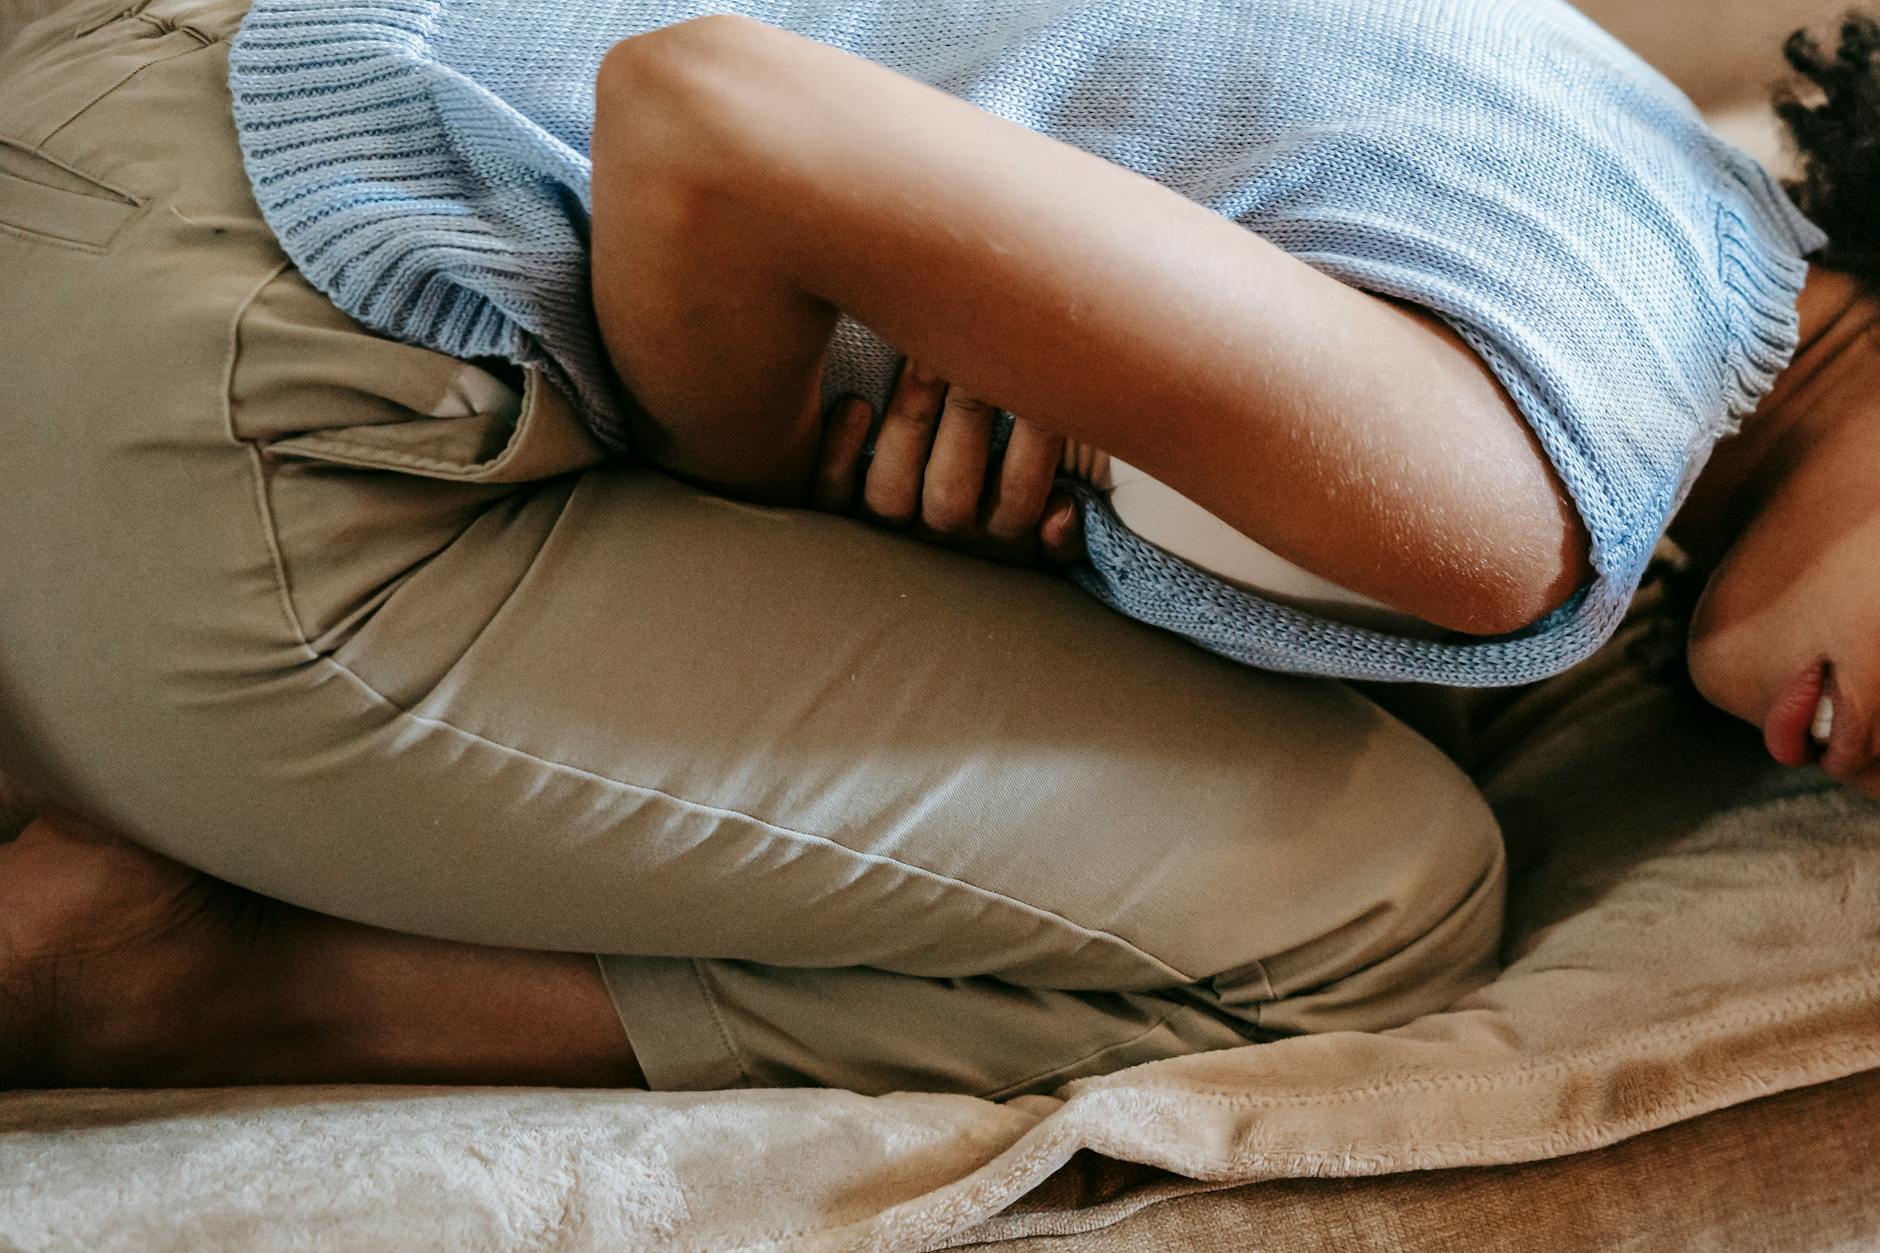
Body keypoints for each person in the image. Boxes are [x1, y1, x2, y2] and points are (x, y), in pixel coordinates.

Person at [0, 0, 1874, 1095]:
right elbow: (713, 120)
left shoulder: (1647, 168)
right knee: (1375, 895)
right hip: (239, 423)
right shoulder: (1519, 496)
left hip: (137, 134)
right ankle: (187, 979)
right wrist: (787, 484)